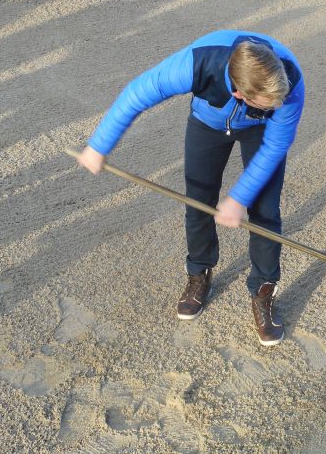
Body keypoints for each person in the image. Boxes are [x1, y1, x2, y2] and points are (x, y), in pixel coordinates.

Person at [77, 30, 305, 346]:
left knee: (265, 209)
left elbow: (277, 144)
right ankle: (199, 273)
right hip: (208, 123)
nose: (278, 104)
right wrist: (99, 146)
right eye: (268, 104)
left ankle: (263, 289)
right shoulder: (197, 63)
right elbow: (137, 93)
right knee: (199, 200)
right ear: (239, 93)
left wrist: (239, 197)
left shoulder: (288, 81)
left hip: (259, 133)